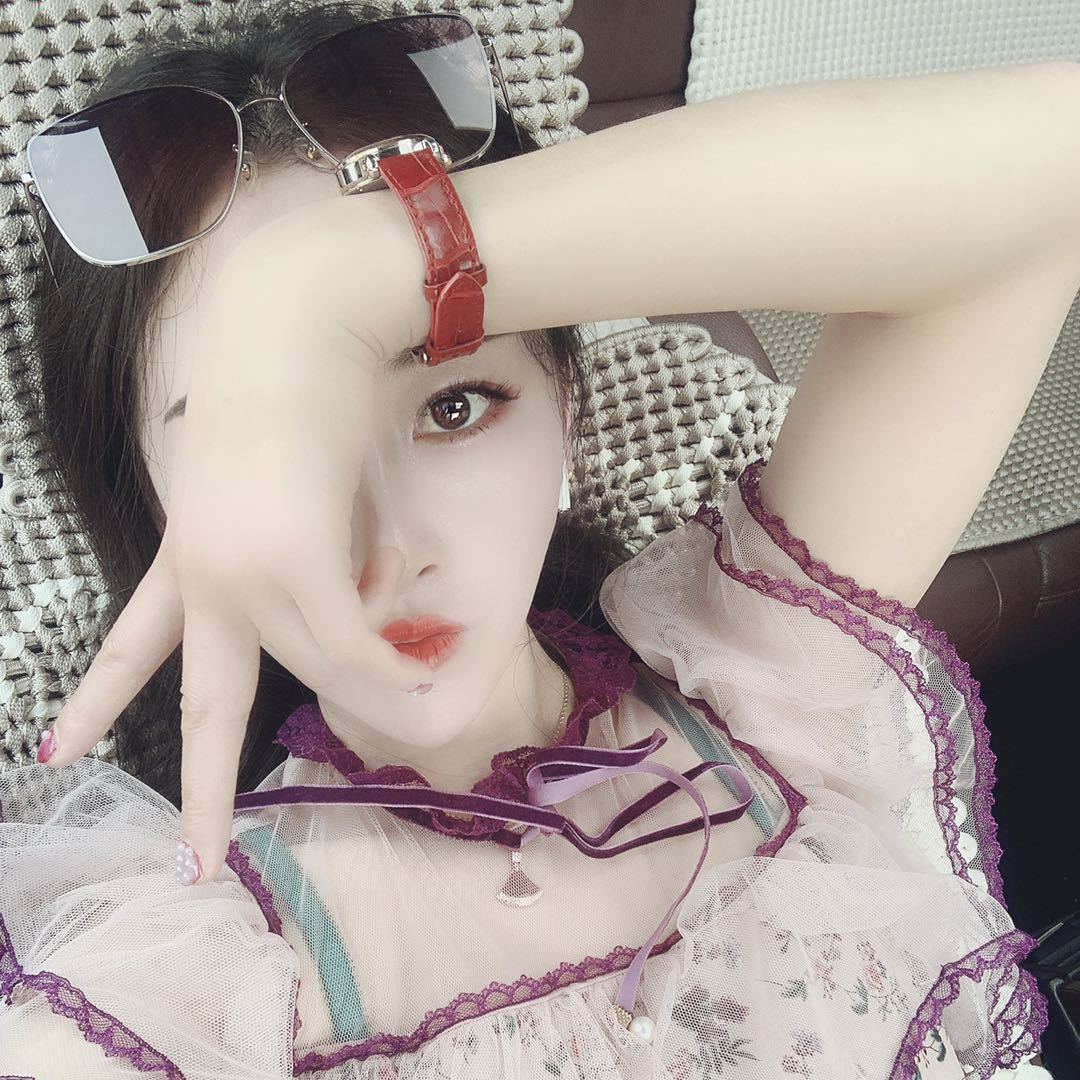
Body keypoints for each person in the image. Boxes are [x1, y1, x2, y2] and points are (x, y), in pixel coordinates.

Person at [2, 0, 1074, 1075]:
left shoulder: (766, 683)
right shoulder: (190, 986)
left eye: (454, 404)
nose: (389, 550)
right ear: (153, 504)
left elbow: (1049, 168)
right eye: (254, 448)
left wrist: (327, 281)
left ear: (563, 403)